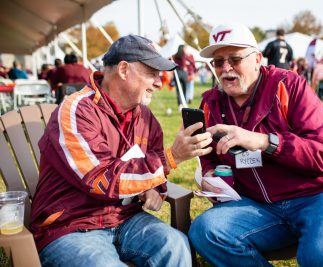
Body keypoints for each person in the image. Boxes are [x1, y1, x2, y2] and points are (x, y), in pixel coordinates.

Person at [30, 34, 213, 267]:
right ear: (124, 70)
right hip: (71, 225)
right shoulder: (77, 110)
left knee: (175, 245)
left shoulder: (145, 118)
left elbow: (151, 169)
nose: (159, 82)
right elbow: (100, 179)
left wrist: (156, 188)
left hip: (125, 219)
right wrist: (171, 158)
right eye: (152, 73)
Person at [188, 23, 323, 267]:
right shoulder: (211, 102)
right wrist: (209, 173)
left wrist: (262, 141)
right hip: (257, 204)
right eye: (218, 62)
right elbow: (210, 156)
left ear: (257, 58)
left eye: (235, 59)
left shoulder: (289, 85)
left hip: (318, 195)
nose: (225, 68)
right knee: (205, 231)